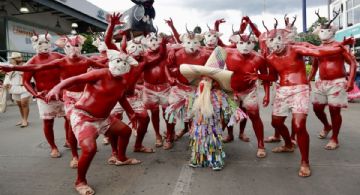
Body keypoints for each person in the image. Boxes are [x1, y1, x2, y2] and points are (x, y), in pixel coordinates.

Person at [249, 19, 346, 177]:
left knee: (299, 125)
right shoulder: (271, 58)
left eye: (278, 38)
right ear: (267, 43)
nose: (275, 43)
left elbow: (318, 52)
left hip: (300, 89)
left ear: (283, 38)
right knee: (276, 122)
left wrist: (339, 45)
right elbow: (273, 77)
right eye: (271, 40)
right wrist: (259, 75)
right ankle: (288, 144)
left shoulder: (295, 49)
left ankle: (305, 162)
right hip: (282, 91)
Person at [45, 49, 140, 195]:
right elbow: (76, 79)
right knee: (90, 149)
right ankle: (80, 181)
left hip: (104, 118)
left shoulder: (122, 82)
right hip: (84, 117)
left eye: (125, 63)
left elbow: (122, 99)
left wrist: (132, 115)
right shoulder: (100, 73)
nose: (121, 65)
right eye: (119, 61)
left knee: (125, 131)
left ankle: (121, 157)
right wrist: (57, 87)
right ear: (112, 61)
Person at [180, 47, 246, 170]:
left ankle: (216, 160)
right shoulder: (196, 93)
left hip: (213, 125)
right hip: (198, 124)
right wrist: (182, 107)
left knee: (213, 140)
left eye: (206, 80)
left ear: (214, 82)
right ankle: (197, 159)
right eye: (202, 79)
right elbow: (188, 106)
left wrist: (235, 112)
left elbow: (229, 106)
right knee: (198, 140)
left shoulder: (219, 94)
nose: (203, 82)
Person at [308, 10, 357, 150]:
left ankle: (335, 138)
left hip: (337, 82)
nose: (323, 32)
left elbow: (353, 63)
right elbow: (314, 66)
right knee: (317, 108)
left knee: (334, 110)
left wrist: (351, 81)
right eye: (321, 30)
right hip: (321, 82)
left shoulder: (339, 47)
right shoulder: (318, 48)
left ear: (332, 31)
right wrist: (308, 80)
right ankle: (327, 126)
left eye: (326, 29)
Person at [22, 32, 70, 158]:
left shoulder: (58, 56)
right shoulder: (31, 62)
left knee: (69, 118)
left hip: (62, 94)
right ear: (34, 45)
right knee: (48, 122)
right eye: (40, 43)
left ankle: (69, 140)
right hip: (44, 97)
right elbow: (25, 82)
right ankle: (53, 147)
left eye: (46, 42)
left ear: (50, 43)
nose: (44, 45)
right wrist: (36, 94)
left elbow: (71, 65)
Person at [3, 52, 31, 127]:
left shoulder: (25, 65)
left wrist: (17, 68)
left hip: (25, 86)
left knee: (24, 103)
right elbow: (7, 76)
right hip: (14, 87)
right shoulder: (10, 67)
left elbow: (28, 75)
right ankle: (23, 119)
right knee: (19, 105)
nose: (13, 60)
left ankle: (25, 120)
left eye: (14, 58)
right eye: (13, 59)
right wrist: (6, 83)